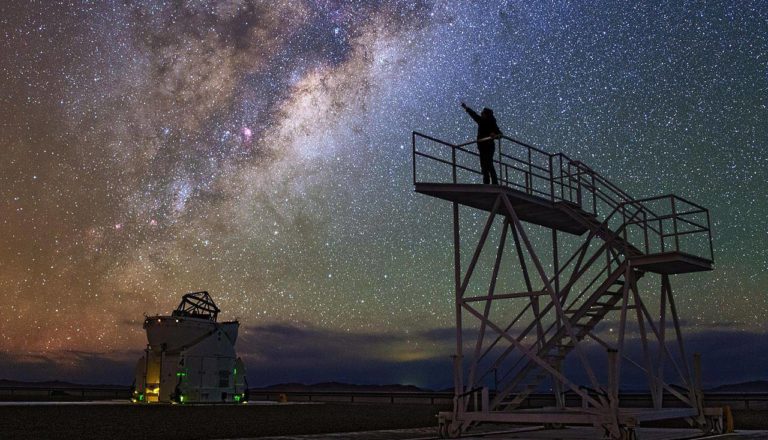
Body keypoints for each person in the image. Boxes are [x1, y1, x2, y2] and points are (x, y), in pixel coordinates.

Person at [461, 102, 502, 185]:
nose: (481, 114)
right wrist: (466, 108)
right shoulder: (481, 121)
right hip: (482, 147)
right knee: (484, 166)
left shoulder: (491, 123)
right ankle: (486, 183)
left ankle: (494, 183)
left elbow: (500, 134)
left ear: (486, 114)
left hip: (488, 146)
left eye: (483, 113)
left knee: (489, 164)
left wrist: (495, 135)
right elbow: (473, 115)